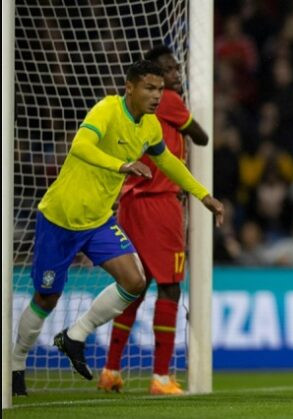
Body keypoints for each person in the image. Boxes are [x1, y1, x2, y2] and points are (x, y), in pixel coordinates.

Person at [11, 60, 224, 396]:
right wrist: (122, 165)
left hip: (98, 221)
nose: (157, 96)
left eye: (159, 90)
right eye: (149, 88)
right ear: (130, 88)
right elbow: (80, 146)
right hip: (60, 218)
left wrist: (203, 196)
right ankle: (15, 364)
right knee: (47, 296)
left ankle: (75, 336)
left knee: (135, 281)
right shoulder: (107, 109)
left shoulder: (150, 126)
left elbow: (169, 161)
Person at [96, 45, 208, 395]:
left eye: (175, 71)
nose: (174, 77)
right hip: (160, 205)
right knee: (170, 287)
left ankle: (111, 370)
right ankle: (161, 377)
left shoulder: (133, 113)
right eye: (168, 72)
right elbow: (202, 136)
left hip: (130, 202)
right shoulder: (170, 102)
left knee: (134, 288)